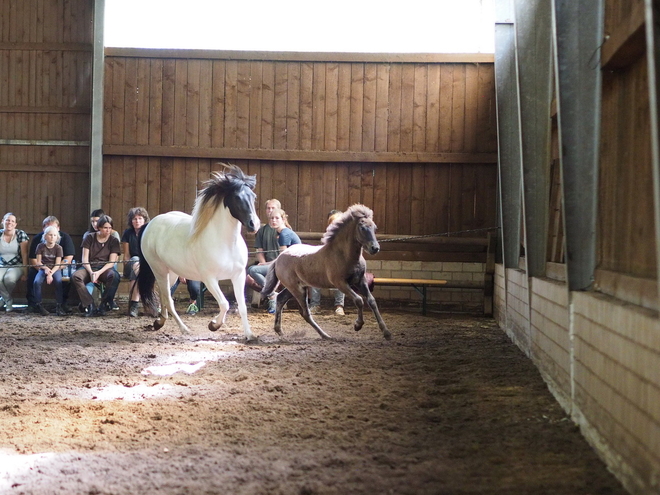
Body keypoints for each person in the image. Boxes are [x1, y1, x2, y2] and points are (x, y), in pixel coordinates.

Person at [72, 215, 121, 317]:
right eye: (105, 228)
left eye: (109, 228)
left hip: (104, 268)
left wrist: (98, 273)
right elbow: (84, 259)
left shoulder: (113, 240)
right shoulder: (89, 237)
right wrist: (91, 273)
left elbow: (112, 262)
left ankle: (104, 304)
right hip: (89, 266)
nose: (107, 230)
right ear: (99, 227)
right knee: (76, 276)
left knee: (114, 276)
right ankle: (90, 304)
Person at [26, 216, 75, 314]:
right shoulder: (38, 242)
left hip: (58, 268)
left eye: (53, 228)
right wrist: (45, 270)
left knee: (62, 280)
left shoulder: (63, 241)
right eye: (48, 229)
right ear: (44, 230)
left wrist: (51, 272)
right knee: (33, 276)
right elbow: (34, 260)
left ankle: (61, 304)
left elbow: (67, 259)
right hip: (41, 268)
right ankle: (35, 304)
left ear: (58, 229)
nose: (51, 233)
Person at [258, 208, 301, 314]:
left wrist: (267, 263)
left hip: (293, 266)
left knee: (253, 270)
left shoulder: (284, 234)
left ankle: (272, 295)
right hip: (290, 264)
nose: (273, 220)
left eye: (277, 218)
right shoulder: (282, 233)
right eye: (271, 218)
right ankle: (272, 294)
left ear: (283, 219)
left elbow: (284, 258)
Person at [309, 209, 347, 316]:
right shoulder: (327, 238)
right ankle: (315, 305)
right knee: (314, 277)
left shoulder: (345, 239)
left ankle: (339, 306)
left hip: (338, 269)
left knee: (340, 278)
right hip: (325, 267)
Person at [84, 209, 121, 310]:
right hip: (91, 264)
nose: (94, 224)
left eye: (97, 221)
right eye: (92, 221)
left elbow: (114, 259)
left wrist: (100, 271)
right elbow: (85, 257)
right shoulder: (88, 235)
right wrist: (92, 271)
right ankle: (88, 303)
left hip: (108, 264)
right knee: (86, 278)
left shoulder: (114, 236)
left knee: (113, 276)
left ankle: (107, 301)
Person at [121, 207, 150, 317]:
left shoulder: (148, 233)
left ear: (144, 220)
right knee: (135, 260)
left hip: (145, 267)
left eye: (140, 218)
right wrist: (126, 265)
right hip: (131, 265)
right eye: (134, 219)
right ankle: (144, 300)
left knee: (137, 271)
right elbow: (127, 255)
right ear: (131, 221)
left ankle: (134, 305)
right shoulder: (128, 233)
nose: (137, 221)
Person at [33, 225, 66, 316]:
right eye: (50, 235)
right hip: (43, 268)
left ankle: (59, 306)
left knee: (58, 282)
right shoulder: (40, 246)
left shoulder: (59, 248)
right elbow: (38, 262)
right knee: (36, 282)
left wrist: (50, 274)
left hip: (55, 269)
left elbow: (58, 264)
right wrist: (46, 269)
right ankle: (39, 305)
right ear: (45, 236)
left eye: (55, 235)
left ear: (57, 237)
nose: (52, 237)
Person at [0, 212, 29, 312]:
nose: (9, 222)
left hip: (17, 265)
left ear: (15, 224)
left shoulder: (20, 234)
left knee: (9, 279)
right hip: (2, 264)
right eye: (7, 220)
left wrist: (25, 273)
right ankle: (8, 300)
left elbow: (25, 254)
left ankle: (3, 299)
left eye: (12, 221)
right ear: (3, 221)